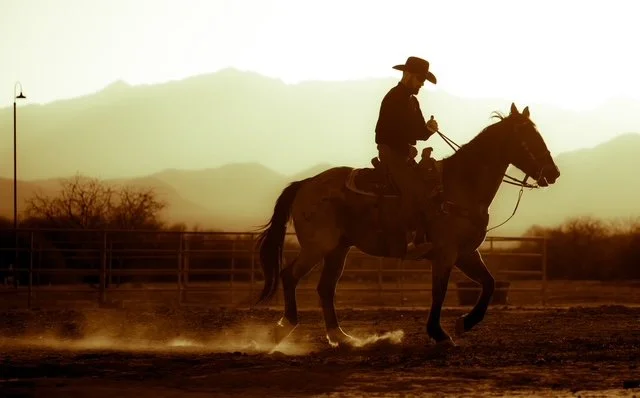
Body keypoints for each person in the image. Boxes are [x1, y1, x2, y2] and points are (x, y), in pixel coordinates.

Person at [374, 56, 440, 259]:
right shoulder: (394, 98)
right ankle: (405, 241)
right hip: (391, 152)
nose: (421, 84)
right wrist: (417, 135)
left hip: (402, 153)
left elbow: (417, 132)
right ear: (409, 75)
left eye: (423, 81)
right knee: (412, 189)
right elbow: (388, 132)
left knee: (428, 184)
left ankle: (422, 235)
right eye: (420, 79)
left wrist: (428, 130)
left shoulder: (412, 101)